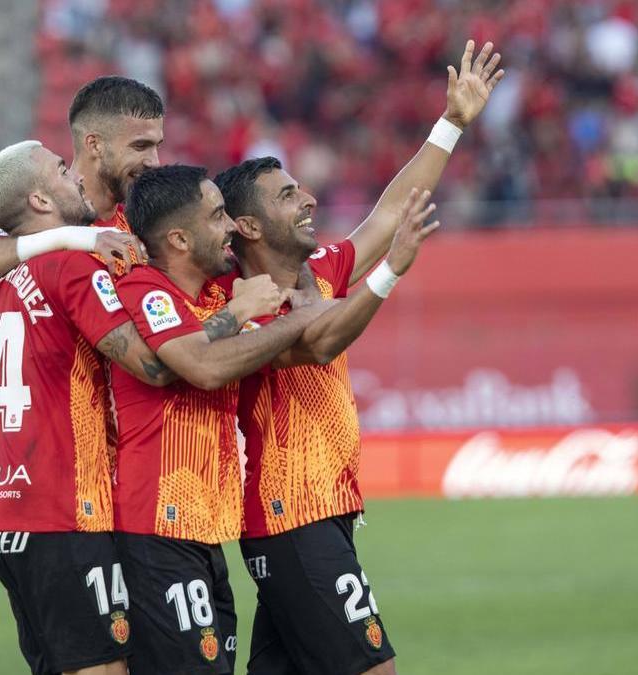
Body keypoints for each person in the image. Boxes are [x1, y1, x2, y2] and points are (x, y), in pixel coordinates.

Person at [213, 39, 503, 675]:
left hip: (325, 510)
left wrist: (451, 123)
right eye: (287, 195)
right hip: (293, 513)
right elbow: (320, 342)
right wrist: (391, 272)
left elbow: (392, 209)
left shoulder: (321, 270)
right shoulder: (243, 301)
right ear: (251, 227)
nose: (308, 199)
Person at [107, 164, 331, 674]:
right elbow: (203, 368)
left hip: (206, 528)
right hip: (158, 524)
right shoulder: (148, 287)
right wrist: (288, 314)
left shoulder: (214, 293)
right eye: (216, 217)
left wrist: (316, 301)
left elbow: (286, 351)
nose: (230, 225)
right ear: (180, 238)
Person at [0, 139, 164, 675]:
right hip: (64, 509)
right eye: (60, 169)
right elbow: (153, 367)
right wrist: (224, 322)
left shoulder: (3, 269)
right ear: (38, 200)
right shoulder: (72, 267)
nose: (74, 174)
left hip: (5, 516)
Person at [0, 76, 162, 289]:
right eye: (140, 146)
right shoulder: (52, 217)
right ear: (95, 145)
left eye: (157, 146)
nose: (155, 162)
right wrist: (70, 238)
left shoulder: (145, 219)